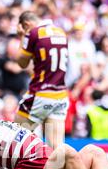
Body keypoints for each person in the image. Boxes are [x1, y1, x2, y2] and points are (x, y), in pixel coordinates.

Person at [14, 11, 69, 149]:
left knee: (16, 139)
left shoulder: (34, 33)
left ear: (26, 24)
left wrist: (22, 36)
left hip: (40, 95)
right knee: (56, 148)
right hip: (60, 96)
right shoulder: (61, 32)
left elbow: (22, 63)